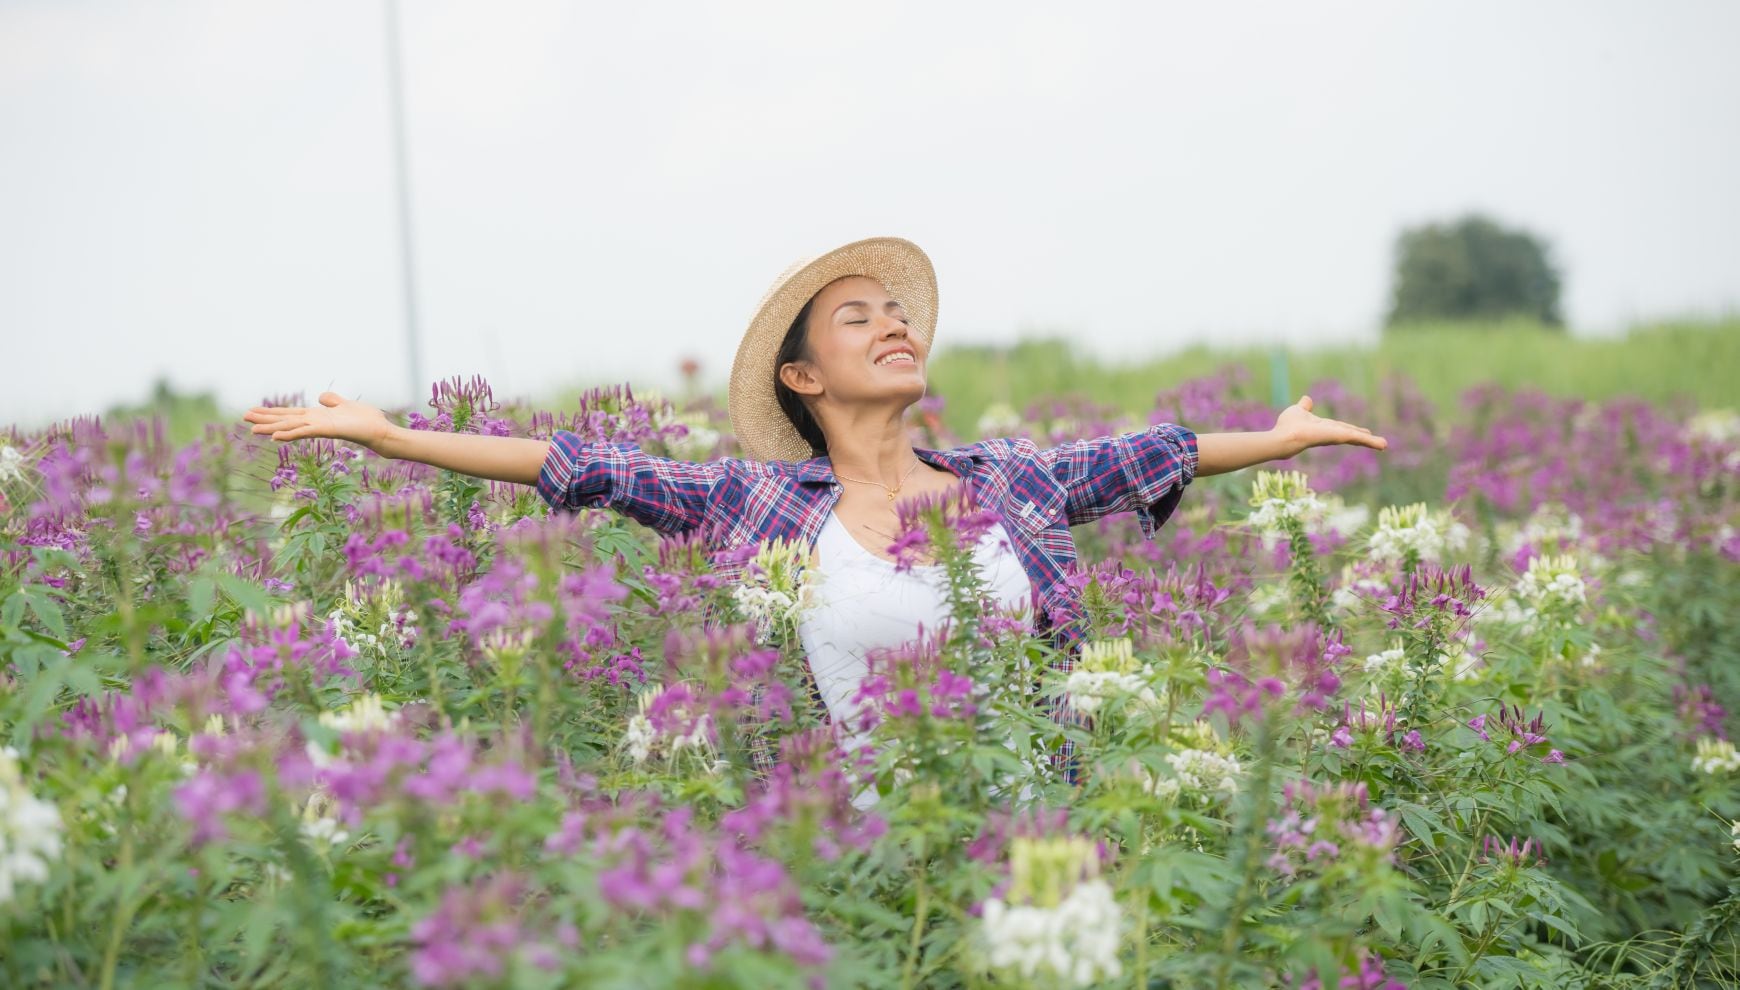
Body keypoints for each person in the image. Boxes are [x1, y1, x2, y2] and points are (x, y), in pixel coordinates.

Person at [242, 235, 1387, 785]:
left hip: (1053, 833)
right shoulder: (756, 505)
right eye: (858, 319)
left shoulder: (1006, 485)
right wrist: (390, 436)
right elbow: (587, 465)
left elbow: (1146, 452)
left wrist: (1280, 441)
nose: (894, 325)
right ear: (803, 378)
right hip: (878, 859)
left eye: (899, 312)